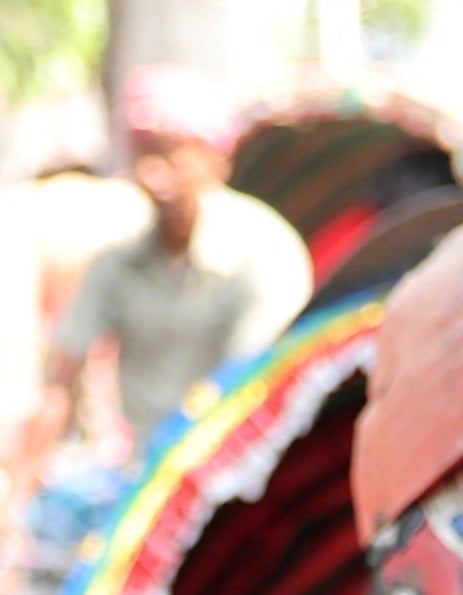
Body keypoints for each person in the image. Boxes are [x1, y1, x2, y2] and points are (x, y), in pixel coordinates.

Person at [29, 70, 312, 476]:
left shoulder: (264, 254)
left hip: (238, 471)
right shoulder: (117, 262)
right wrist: (13, 497)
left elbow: (244, 389)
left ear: (216, 161)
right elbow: (61, 379)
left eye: (169, 155)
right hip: (145, 475)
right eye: (142, 155)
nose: (152, 174)